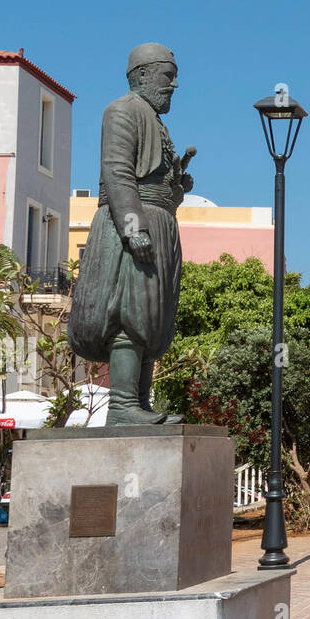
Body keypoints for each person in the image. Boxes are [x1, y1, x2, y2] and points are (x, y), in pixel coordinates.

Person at [69, 44, 195, 425]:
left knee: (152, 318)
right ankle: (123, 407)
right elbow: (117, 172)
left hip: (158, 223)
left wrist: (177, 186)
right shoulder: (122, 110)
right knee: (131, 314)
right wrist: (133, 228)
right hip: (132, 226)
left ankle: (138, 404)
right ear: (141, 75)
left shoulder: (156, 122)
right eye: (167, 76)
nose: (174, 84)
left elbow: (156, 186)